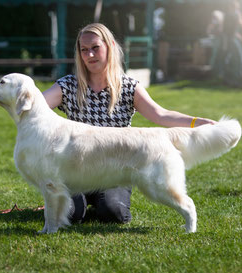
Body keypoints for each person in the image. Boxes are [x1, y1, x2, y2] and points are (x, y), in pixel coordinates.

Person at [42, 23, 216, 224]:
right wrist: (11, 94)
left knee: (113, 213)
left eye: (95, 48)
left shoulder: (128, 86)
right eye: (84, 50)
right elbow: (37, 106)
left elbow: (160, 114)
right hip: (75, 172)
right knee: (70, 216)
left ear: (111, 46)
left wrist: (195, 122)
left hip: (115, 171)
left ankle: (100, 203)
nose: (90, 55)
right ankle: (78, 204)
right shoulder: (68, 85)